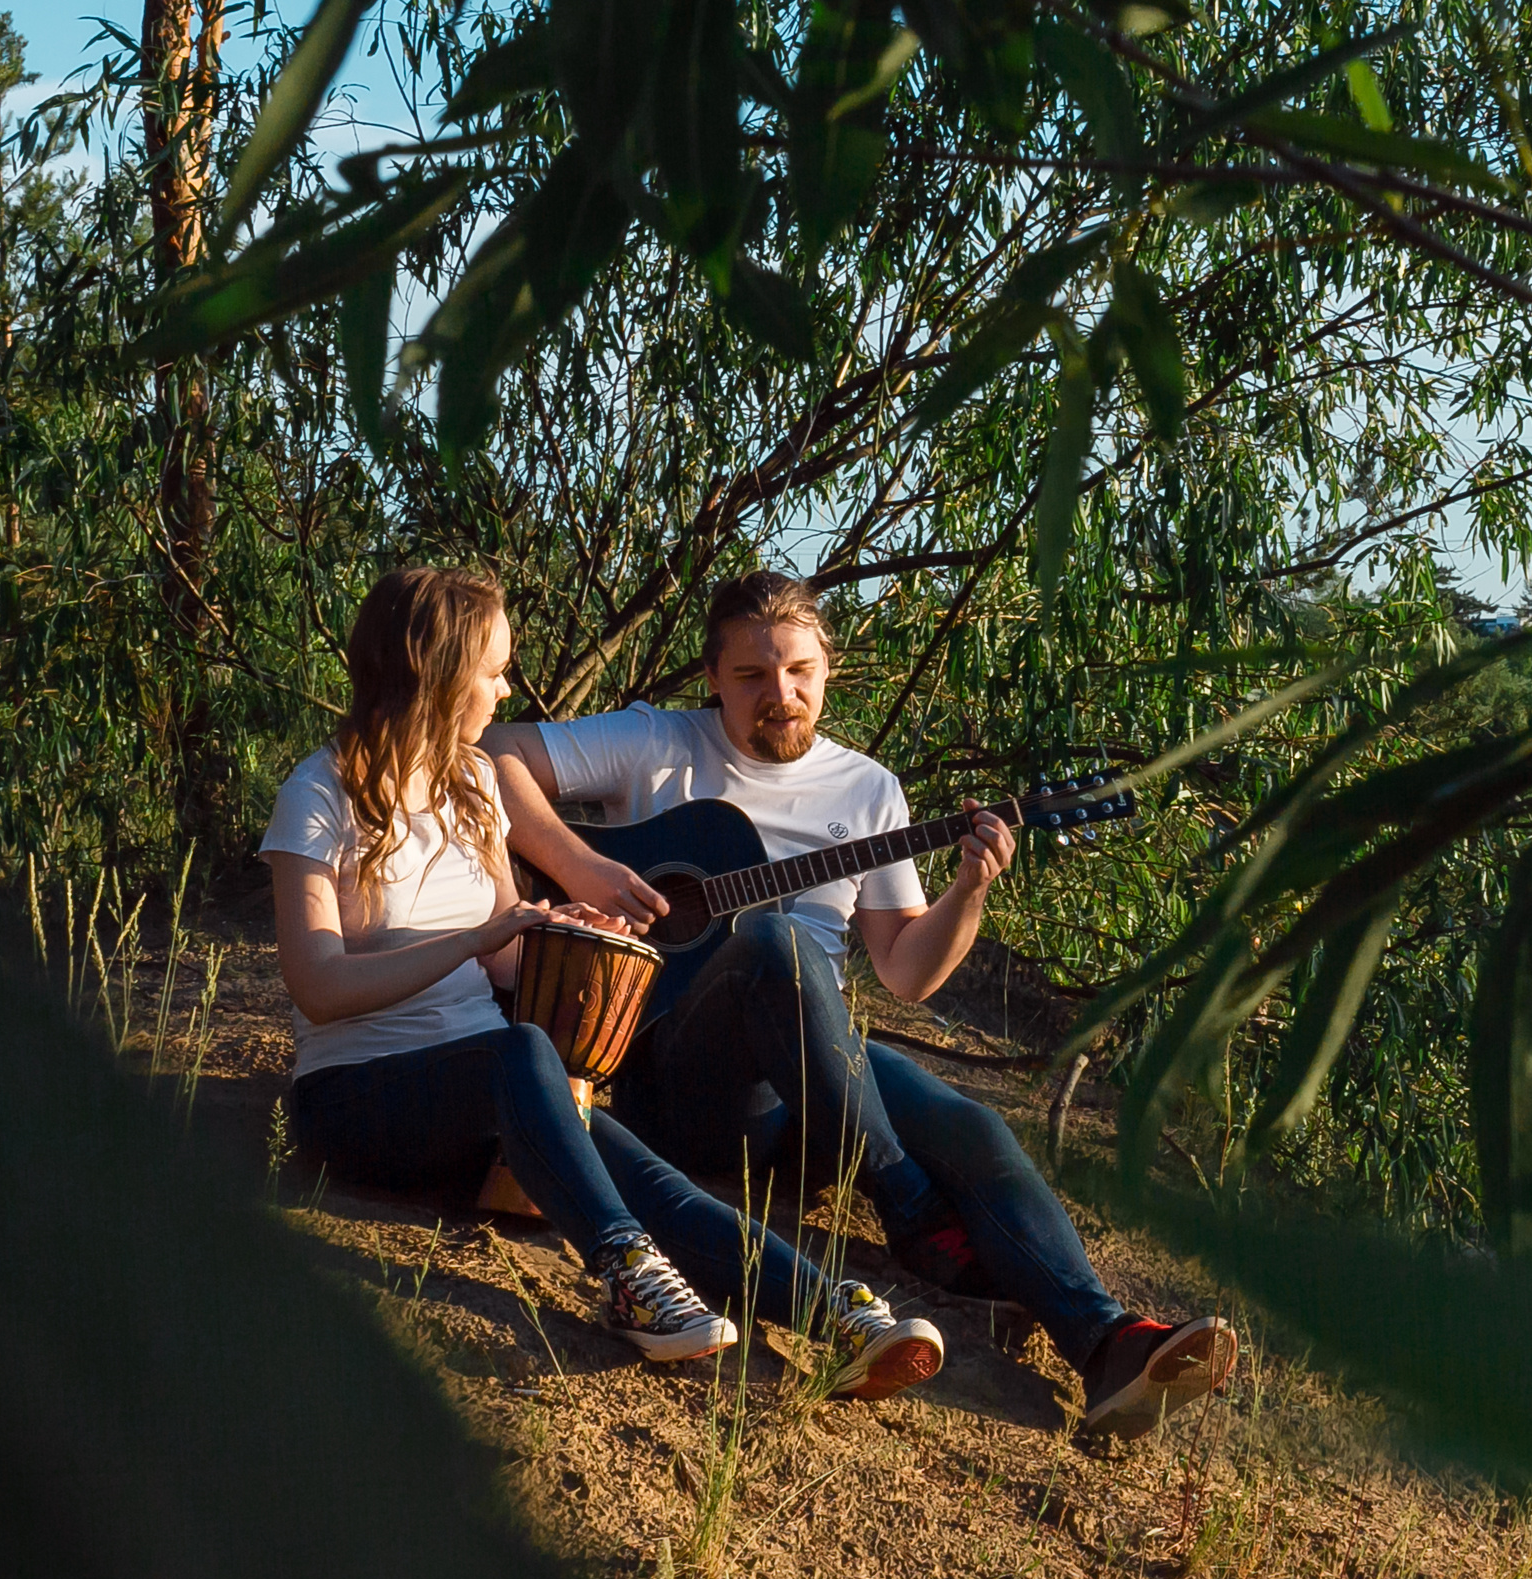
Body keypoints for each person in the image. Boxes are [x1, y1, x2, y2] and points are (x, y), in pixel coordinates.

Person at [479, 571, 1237, 1441]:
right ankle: (907, 1207)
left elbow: (908, 972)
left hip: (809, 1092)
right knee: (772, 942)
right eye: (754, 677)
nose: (781, 694)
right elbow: (495, 752)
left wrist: (970, 892)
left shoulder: (869, 790)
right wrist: (583, 868)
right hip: (678, 1084)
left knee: (970, 1123)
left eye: (800, 670)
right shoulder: (657, 743)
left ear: (828, 668)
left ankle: (1104, 1338)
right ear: (713, 679)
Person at [261, 565, 941, 1401]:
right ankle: (627, 1273)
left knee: (650, 1173)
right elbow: (318, 986)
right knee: (520, 1054)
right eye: (494, 670)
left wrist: (579, 934)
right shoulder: (319, 791)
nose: (505, 688)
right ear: (435, 673)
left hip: (493, 1083)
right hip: (358, 1096)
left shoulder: (474, 784)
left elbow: (511, 956)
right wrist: (478, 937)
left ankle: (833, 1312)